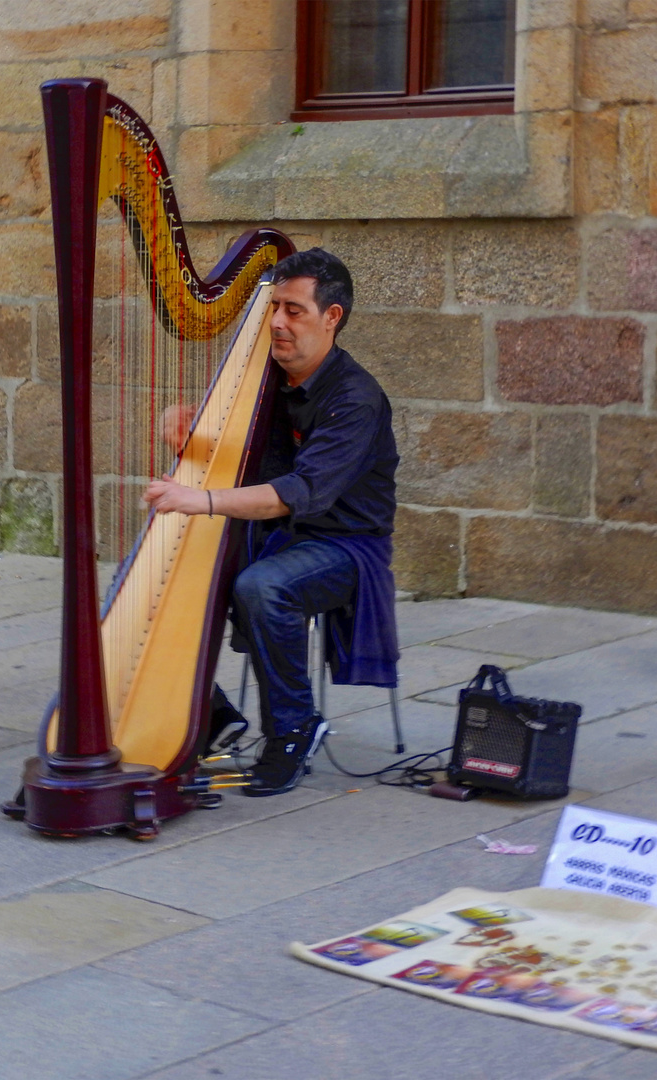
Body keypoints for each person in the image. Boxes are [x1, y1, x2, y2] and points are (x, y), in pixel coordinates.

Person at [143, 247, 399, 796]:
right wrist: (183, 426)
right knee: (154, 570)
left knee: (261, 586)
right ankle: (209, 714)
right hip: (276, 536)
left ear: (332, 318)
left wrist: (200, 500)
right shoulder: (266, 380)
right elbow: (241, 455)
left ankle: (293, 729)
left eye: (294, 310)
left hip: (345, 549)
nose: (278, 321)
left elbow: (299, 493)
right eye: (274, 307)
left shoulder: (356, 399)